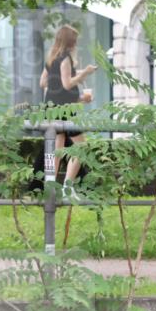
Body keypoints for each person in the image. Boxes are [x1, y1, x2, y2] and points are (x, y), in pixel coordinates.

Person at [39, 25, 97, 202]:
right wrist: (84, 73)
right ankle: (67, 187)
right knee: (81, 148)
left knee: (55, 151)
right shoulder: (65, 59)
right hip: (65, 111)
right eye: (75, 40)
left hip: (52, 108)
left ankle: (50, 190)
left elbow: (43, 82)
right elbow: (67, 84)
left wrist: (78, 74)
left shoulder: (52, 58)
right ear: (71, 42)